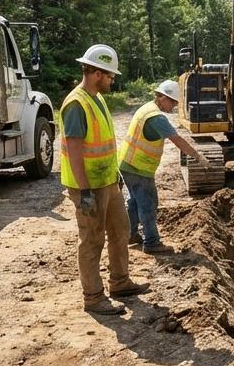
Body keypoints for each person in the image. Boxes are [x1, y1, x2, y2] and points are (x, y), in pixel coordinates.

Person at [60, 44, 148, 316]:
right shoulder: (77, 104)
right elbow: (74, 149)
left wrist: (115, 175)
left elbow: (104, 144)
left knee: (121, 230)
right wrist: (84, 191)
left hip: (108, 182)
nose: (112, 79)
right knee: (92, 239)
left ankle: (120, 282)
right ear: (97, 73)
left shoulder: (96, 98)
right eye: (110, 75)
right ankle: (93, 297)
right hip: (88, 186)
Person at [119, 80, 210, 254]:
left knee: (134, 201)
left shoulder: (146, 108)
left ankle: (130, 234)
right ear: (162, 97)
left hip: (127, 163)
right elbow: (177, 140)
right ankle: (152, 243)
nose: (174, 107)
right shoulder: (157, 118)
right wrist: (197, 156)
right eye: (173, 102)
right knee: (148, 203)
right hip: (139, 167)